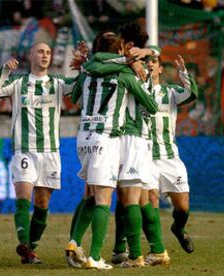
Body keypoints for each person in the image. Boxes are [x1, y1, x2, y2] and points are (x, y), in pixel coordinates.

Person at [66, 31, 159, 270]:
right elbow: (151, 105)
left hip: (83, 138)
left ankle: (74, 242)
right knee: (107, 200)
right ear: (119, 51)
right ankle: (97, 256)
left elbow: (75, 97)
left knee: (90, 193)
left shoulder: (87, 72)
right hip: (108, 137)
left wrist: (84, 66)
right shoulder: (125, 73)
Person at [0, 42, 77, 264]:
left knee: (43, 203)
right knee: (23, 197)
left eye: (48, 52)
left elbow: (80, 87)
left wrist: (83, 65)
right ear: (30, 55)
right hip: (24, 150)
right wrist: (5, 70)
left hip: (50, 152)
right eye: (40, 51)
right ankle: (25, 245)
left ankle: (31, 249)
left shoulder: (58, 83)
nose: (45, 55)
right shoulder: (18, 83)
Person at [146, 52, 198, 255]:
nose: (150, 64)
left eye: (154, 61)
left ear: (160, 69)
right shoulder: (133, 91)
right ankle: (156, 249)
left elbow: (192, 94)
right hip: (145, 157)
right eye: (146, 61)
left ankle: (178, 228)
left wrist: (183, 72)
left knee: (183, 208)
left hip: (169, 157)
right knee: (151, 203)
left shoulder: (171, 92)